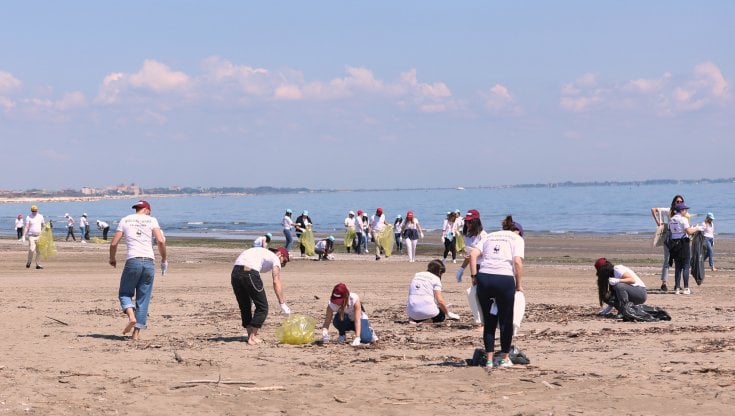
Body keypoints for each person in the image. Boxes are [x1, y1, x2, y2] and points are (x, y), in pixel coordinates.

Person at [468, 214, 524, 368]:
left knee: (489, 320)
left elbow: (473, 255)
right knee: (506, 321)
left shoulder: (490, 235)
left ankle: (489, 360)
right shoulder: (517, 239)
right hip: (504, 280)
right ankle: (505, 359)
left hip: (484, 278)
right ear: (517, 231)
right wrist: (518, 285)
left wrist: (474, 277)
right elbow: (517, 263)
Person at [109, 200, 168, 341]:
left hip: (133, 260)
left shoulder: (125, 220)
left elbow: (114, 243)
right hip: (149, 261)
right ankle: (136, 334)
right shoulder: (152, 220)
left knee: (125, 293)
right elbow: (160, 241)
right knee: (143, 298)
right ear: (147, 210)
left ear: (137, 209)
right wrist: (164, 259)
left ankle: (131, 316)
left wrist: (112, 258)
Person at [231, 246, 291, 345]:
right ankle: (252, 337)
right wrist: (282, 303)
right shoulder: (275, 258)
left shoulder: (261, 252)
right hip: (250, 273)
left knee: (245, 306)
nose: (282, 264)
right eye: (284, 261)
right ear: (280, 254)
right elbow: (276, 281)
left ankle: (250, 335)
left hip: (235, 273)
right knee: (263, 307)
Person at [650, 195, 685, 291]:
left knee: (679, 261)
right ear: (674, 202)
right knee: (667, 260)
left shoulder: (683, 213)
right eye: (677, 201)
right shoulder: (669, 210)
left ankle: (677, 284)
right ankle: (664, 283)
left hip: (679, 238)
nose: (679, 203)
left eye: (681, 202)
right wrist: (658, 223)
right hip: (669, 237)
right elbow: (653, 209)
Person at [668, 202, 699, 295]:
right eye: (685, 210)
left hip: (674, 244)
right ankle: (686, 288)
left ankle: (677, 288)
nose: (686, 211)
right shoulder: (683, 219)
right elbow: (689, 231)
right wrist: (697, 228)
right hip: (683, 243)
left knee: (677, 267)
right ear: (681, 210)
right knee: (685, 266)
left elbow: (670, 231)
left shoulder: (671, 219)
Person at [22, 205, 45, 269]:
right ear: (31, 211)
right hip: (31, 236)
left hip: (39, 236)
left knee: (39, 251)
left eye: (35, 211)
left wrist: (48, 227)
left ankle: (38, 264)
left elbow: (43, 225)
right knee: (31, 249)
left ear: (37, 210)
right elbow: (26, 227)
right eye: (33, 211)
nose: (34, 212)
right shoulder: (28, 217)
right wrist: (24, 235)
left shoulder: (40, 216)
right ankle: (29, 261)